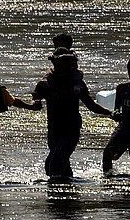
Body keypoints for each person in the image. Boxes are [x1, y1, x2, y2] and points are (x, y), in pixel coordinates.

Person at [32, 47, 114, 180]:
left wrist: (110, 113)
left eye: (64, 62)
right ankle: (70, 192)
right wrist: (35, 102)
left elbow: (91, 105)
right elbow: (36, 95)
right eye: (58, 62)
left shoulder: (76, 83)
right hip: (54, 129)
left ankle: (57, 196)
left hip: (71, 129)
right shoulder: (47, 82)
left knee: (54, 166)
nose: (60, 65)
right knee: (56, 167)